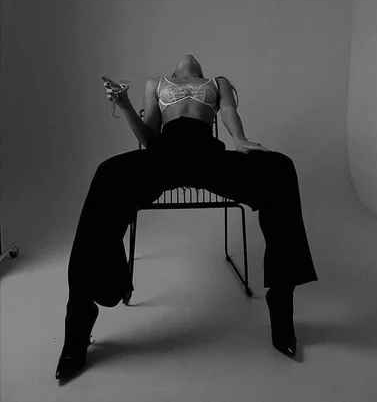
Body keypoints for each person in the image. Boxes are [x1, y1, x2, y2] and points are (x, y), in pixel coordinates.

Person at [55, 54, 318, 382]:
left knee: (280, 167)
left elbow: (229, 113)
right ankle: (79, 323)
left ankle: (281, 297)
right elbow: (149, 138)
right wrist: (124, 105)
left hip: (209, 158)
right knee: (107, 173)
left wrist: (240, 141)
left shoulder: (217, 82)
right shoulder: (156, 83)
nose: (188, 56)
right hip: (164, 157)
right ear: (174, 70)